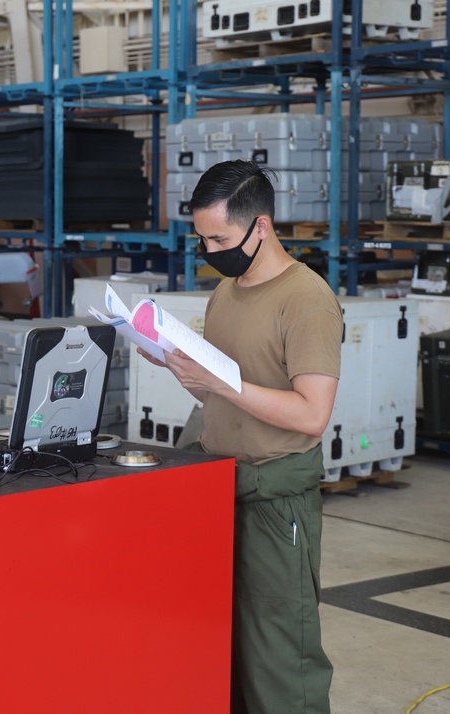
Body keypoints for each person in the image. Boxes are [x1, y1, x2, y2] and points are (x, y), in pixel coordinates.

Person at [139, 160, 342, 713]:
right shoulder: (225, 293)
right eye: (202, 238)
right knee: (219, 647)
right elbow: (224, 399)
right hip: (217, 488)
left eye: (219, 238)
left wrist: (219, 382)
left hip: (276, 499)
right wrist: (184, 373)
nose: (209, 250)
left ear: (262, 227)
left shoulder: (306, 300)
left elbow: (310, 415)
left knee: (279, 656)